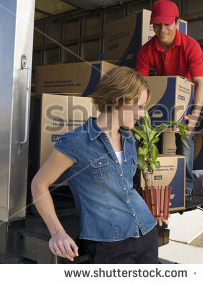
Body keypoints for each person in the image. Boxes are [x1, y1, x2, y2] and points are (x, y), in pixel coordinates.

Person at [31, 67, 163, 264]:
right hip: (110, 245)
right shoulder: (76, 141)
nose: (142, 114)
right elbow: (39, 184)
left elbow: (124, 188)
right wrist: (57, 232)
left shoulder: (129, 140)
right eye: (140, 106)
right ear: (119, 100)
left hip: (146, 232)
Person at [136, 0, 203, 194]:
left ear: (177, 23)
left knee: (185, 138)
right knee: (149, 137)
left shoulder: (191, 46)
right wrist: (139, 109)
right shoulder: (146, 50)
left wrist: (195, 114)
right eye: (157, 24)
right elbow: (140, 84)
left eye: (167, 24)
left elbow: (200, 83)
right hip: (160, 95)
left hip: (186, 96)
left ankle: (186, 186)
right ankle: (149, 181)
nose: (161, 29)